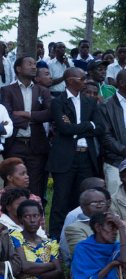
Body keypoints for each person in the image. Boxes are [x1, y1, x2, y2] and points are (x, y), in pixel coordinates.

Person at [47, 67, 104, 237]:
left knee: (84, 200)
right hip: (65, 158)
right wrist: (87, 125)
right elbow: (63, 129)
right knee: (60, 201)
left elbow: (99, 127)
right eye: (82, 79)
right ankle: (55, 241)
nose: (86, 81)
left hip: (86, 156)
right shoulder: (58, 102)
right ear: (70, 80)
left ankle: (82, 238)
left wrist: (74, 128)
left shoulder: (90, 102)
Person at [0, 57, 51, 202]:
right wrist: (33, 120)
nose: (34, 67)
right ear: (18, 69)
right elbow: (8, 115)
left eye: (34, 64)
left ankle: (35, 218)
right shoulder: (7, 90)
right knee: (12, 185)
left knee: (35, 185)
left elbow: (49, 114)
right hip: (15, 144)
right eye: (29, 64)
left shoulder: (42, 90)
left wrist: (25, 114)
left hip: (36, 145)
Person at [98, 70, 126, 196]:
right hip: (115, 162)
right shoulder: (105, 105)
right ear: (122, 83)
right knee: (115, 203)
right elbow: (105, 137)